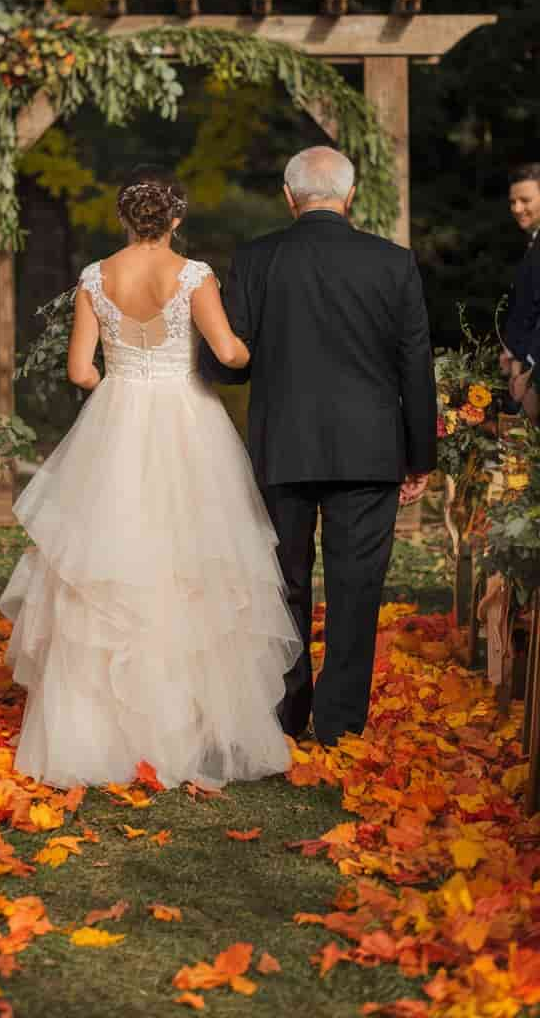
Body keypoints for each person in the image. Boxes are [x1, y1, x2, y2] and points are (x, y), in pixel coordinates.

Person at [0, 168, 302, 789]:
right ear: (175, 220)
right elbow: (230, 351)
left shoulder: (94, 278)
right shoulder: (193, 276)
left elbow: (81, 371)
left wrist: (120, 374)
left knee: (110, 567)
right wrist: (251, 349)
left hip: (118, 418)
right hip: (186, 420)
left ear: (122, 217)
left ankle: (101, 734)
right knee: (191, 564)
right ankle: (191, 725)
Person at [199, 146, 437, 748]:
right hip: (371, 448)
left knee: (284, 584)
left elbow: (228, 365)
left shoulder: (256, 259)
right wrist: (421, 457)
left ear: (289, 195)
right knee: (357, 590)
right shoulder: (393, 262)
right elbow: (416, 366)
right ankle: (340, 725)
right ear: (349, 196)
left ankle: (285, 713)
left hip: (284, 445)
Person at [500, 164, 540, 418]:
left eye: (525, 200)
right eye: (512, 201)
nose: (517, 209)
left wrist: (530, 370)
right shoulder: (534, 243)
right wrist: (511, 352)